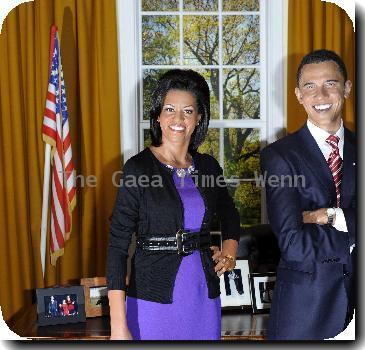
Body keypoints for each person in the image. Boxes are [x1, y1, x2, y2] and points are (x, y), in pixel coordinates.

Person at [107, 69, 240, 340]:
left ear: (199, 118)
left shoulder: (209, 167)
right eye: (169, 109)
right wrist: (118, 325)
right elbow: (117, 247)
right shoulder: (138, 168)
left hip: (203, 296)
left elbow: (229, 212)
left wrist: (229, 250)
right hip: (151, 300)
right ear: (157, 115)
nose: (178, 119)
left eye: (188, 111)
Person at [261, 49, 355, 340]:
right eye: (310, 87)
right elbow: (293, 243)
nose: (321, 95)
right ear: (298, 95)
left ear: (347, 88)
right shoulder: (279, 156)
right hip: (306, 314)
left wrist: (330, 216)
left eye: (331, 83)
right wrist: (352, 236)